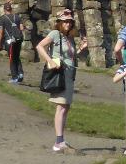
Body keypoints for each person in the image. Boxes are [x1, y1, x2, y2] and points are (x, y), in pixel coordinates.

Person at [37, 9, 90, 153]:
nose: (68, 24)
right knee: (61, 107)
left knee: (65, 107)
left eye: (70, 22)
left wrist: (81, 48)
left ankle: (60, 140)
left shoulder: (69, 38)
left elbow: (70, 57)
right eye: (65, 21)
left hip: (69, 75)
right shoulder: (55, 34)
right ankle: (58, 141)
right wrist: (49, 60)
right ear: (59, 22)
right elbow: (40, 46)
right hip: (60, 74)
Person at [0, 0, 25, 83]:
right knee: (17, 56)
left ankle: (14, 77)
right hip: (19, 39)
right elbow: (21, 28)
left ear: (4, 9)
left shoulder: (3, 18)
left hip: (10, 41)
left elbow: (1, 32)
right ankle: (20, 73)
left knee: (12, 58)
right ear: (11, 9)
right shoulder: (17, 17)